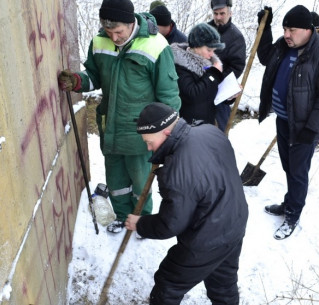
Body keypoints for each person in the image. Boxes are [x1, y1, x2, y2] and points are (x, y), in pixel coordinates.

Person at [58, 0, 181, 234]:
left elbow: (169, 96)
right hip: (111, 128)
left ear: (131, 22)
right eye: (108, 31)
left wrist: (165, 134)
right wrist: (78, 81)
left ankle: (141, 220)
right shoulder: (99, 41)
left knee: (139, 182)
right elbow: (95, 76)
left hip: (141, 133)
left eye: (118, 32)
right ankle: (123, 216)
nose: (113, 38)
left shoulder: (156, 45)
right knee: (116, 183)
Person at [125, 103, 249, 304]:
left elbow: (170, 224)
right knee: (223, 285)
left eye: (149, 142)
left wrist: (140, 224)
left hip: (207, 238)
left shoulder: (176, 171)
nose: (148, 148)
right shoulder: (210, 131)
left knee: (168, 284)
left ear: (166, 131)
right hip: (234, 221)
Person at [256, 5, 319, 239]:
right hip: (284, 120)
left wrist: (311, 130)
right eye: (284, 29)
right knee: (288, 167)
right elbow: (265, 57)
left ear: (308, 30)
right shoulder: (284, 46)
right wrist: (264, 28)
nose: (286, 34)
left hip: (305, 127)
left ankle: (292, 214)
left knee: (298, 172)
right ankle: (288, 203)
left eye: (291, 29)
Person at [170, 23, 224, 125]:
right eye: (209, 50)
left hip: (207, 121)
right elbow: (193, 95)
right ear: (196, 46)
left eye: (213, 51)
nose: (212, 54)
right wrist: (214, 74)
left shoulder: (210, 62)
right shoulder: (181, 65)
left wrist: (229, 96)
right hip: (190, 125)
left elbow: (213, 90)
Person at [208, 0, 246, 132]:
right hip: (200, 91)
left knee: (218, 136)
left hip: (221, 93)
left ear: (230, 12)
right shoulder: (205, 30)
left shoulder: (236, 37)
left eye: (222, 13)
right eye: (215, 13)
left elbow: (237, 66)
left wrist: (216, 78)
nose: (218, 17)